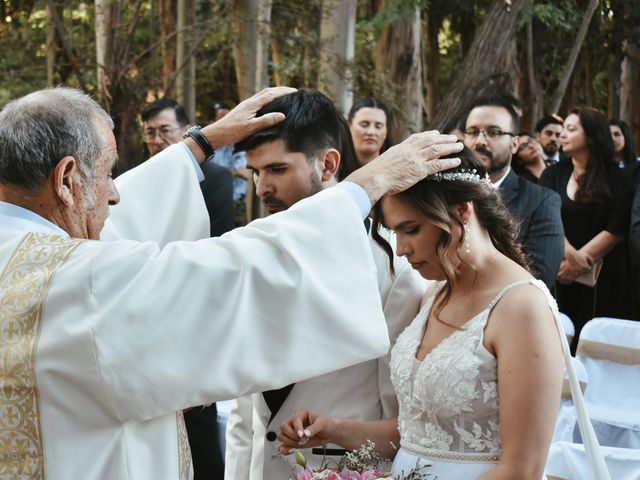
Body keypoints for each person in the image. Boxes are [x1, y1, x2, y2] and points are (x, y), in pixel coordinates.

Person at [0, 86, 463, 480]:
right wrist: (368, 183)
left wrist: (200, 144)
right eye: (106, 174)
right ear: (65, 180)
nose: (117, 193)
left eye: (276, 169)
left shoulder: (19, 257)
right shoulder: (76, 279)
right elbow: (239, 271)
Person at [278, 148, 564, 480]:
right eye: (394, 232)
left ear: (461, 212)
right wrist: (333, 428)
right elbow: (417, 437)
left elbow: (522, 470)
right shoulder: (434, 294)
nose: (400, 248)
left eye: (410, 230)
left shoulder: (522, 308)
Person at [223, 89, 427, 480]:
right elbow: (245, 404)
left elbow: (394, 414)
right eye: (255, 172)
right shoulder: (251, 248)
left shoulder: (391, 270)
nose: (262, 188)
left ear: (328, 164)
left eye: (277, 170)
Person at [540, 107, 634, 343]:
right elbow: (545, 216)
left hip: (605, 275)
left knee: (597, 340)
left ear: (592, 135)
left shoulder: (618, 178)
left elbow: (616, 228)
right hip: (558, 270)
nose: (563, 135)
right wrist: (570, 257)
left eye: (571, 129)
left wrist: (580, 262)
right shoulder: (554, 174)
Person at [463, 95, 564, 289]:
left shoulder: (542, 201)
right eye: (472, 132)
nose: (480, 141)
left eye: (494, 132)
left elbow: (538, 280)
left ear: (515, 143)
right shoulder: (446, 194)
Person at [142, 97, 235, 236]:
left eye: (165, 131)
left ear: (186, 132)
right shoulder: (140, 177)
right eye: (150, 133)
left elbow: (218, 239)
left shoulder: (216, 179)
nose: (157, 140)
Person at [210, 101, 251, 226]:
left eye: (229, 116)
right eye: (222, 117)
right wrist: (233, 172)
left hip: (237, 205)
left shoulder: (239, 146)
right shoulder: (208, 150)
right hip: (213, 203)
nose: (227, 121)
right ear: (213, 123)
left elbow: (247, 173)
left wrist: (222, 173)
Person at [347, 97, 391, 166]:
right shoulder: (330, 170)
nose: (371, 132)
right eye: (364, 125)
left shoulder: (396, 172)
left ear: (386, 131)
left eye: (378, 126)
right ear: (348, 127)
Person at [609, 118, 640, 190]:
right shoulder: (600, 167)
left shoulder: (637, 167)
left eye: (617, 134)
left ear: (626, 136)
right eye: (608, 135)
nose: (612, 138)